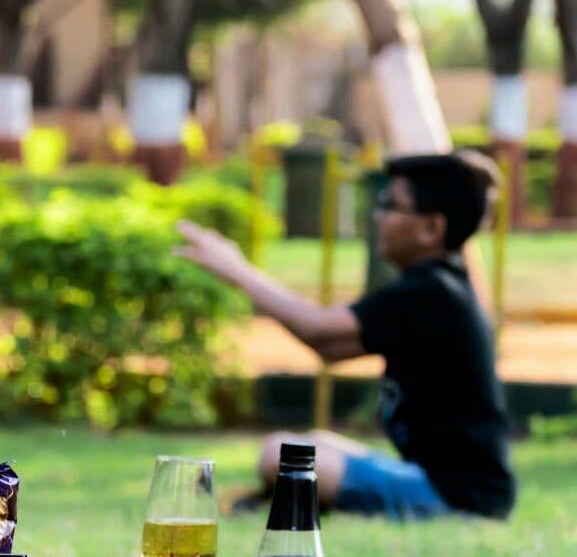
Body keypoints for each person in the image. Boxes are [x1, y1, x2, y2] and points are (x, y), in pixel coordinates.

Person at [176, 151, 514, 521]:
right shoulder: (438, 287)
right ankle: (274, 501)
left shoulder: (432, 293)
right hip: (449, 483)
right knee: (314, 443)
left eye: (390, 205)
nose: (377, 215)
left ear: (431, 228)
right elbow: (332, 348)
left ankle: (279, 501)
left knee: (281, 454)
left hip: (456, 496)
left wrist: (236, 270)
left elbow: (318, 330)